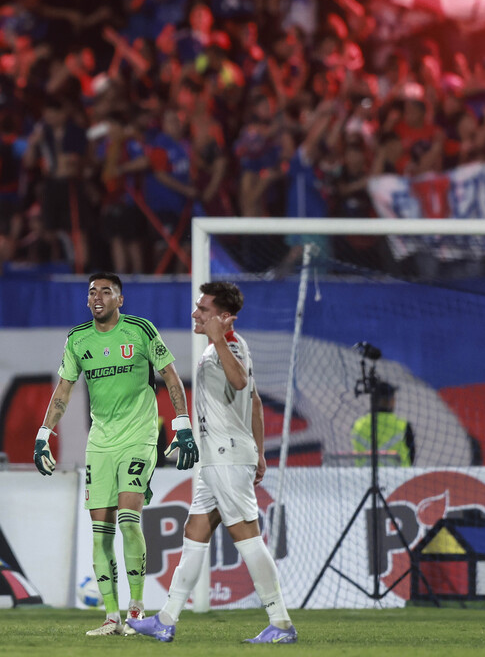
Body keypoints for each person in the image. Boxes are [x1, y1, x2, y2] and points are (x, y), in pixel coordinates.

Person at [128, 281, 297, 644]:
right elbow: (254, 401)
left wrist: (219, 340)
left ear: (224, 317)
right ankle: (167, 619)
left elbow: (238, 384)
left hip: (225, 457)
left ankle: (281, 623)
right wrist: (260, 452)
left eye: (203, 310)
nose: (195, 314)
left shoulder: (228, 346)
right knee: (195, 531)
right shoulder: (234, 347)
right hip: (220, 457)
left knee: (248, 537)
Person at [33, 271, 198, 636]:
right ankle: (111, 616)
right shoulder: (78, 340)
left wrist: (182, 424)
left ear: (119, 300)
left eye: (106, 291)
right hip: (100, 442)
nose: (97, 297)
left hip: (139, 435)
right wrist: (45, 433)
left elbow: (170, 376)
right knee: (100, 533)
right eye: (92, 291)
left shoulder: (140, 330)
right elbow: (63, 390)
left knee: (128, 519)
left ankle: (136, 609)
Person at [351, 380, 414, 467]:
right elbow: (411, 456)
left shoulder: (358, 425)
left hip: (363, 477)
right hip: (399, 478)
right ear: (391, 401)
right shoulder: (403, 425)